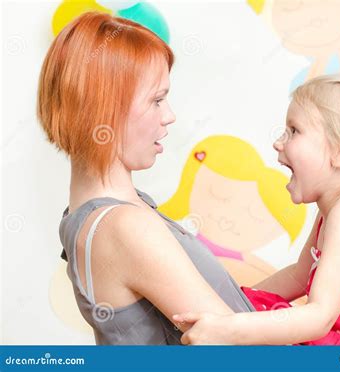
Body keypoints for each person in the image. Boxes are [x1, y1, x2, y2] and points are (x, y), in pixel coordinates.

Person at [174, 75, 340, 345]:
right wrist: (228, 304)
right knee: (251, 309)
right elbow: (299, 275)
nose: (278, 142)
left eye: (294, 130)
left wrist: (230, 329)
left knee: (255, 329)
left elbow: (319, 318)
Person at [37, 11, 254, 345]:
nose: (169, 116)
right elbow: (240, 350)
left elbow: (231, 312)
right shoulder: (125, 226)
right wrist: (317, 317)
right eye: (156, 100)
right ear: (102, 109)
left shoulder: (88, 217)